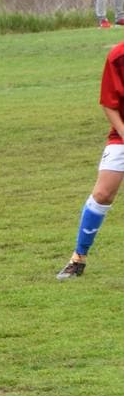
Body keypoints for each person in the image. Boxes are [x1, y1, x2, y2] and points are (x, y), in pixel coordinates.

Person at [56, 40, 124, 280]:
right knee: (103, 194)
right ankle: (78, 258)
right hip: (122, 136)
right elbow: (109, 103)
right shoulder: (118, 57)